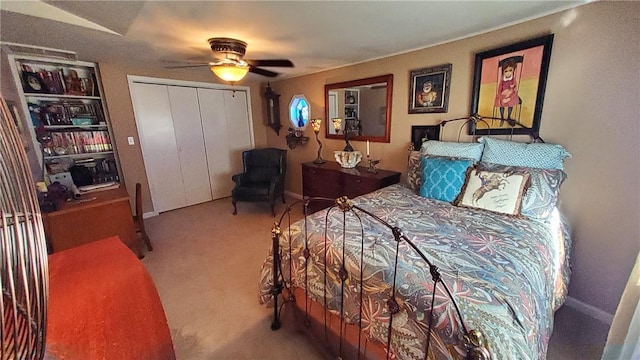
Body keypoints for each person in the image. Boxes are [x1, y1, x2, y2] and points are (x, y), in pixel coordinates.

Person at [494, 58, 519, 125]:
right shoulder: (502, 81)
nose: (508, 73)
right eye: (506, 71)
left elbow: (515, 90)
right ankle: (502, 117)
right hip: (503, 95)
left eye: (510, 70)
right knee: (501, 104)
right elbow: (499, 90)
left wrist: (509, 98)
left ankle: (508, 117)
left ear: (513, 70)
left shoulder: (513, 80)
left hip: (511, 96)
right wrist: (502, 98)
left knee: (511, 104)